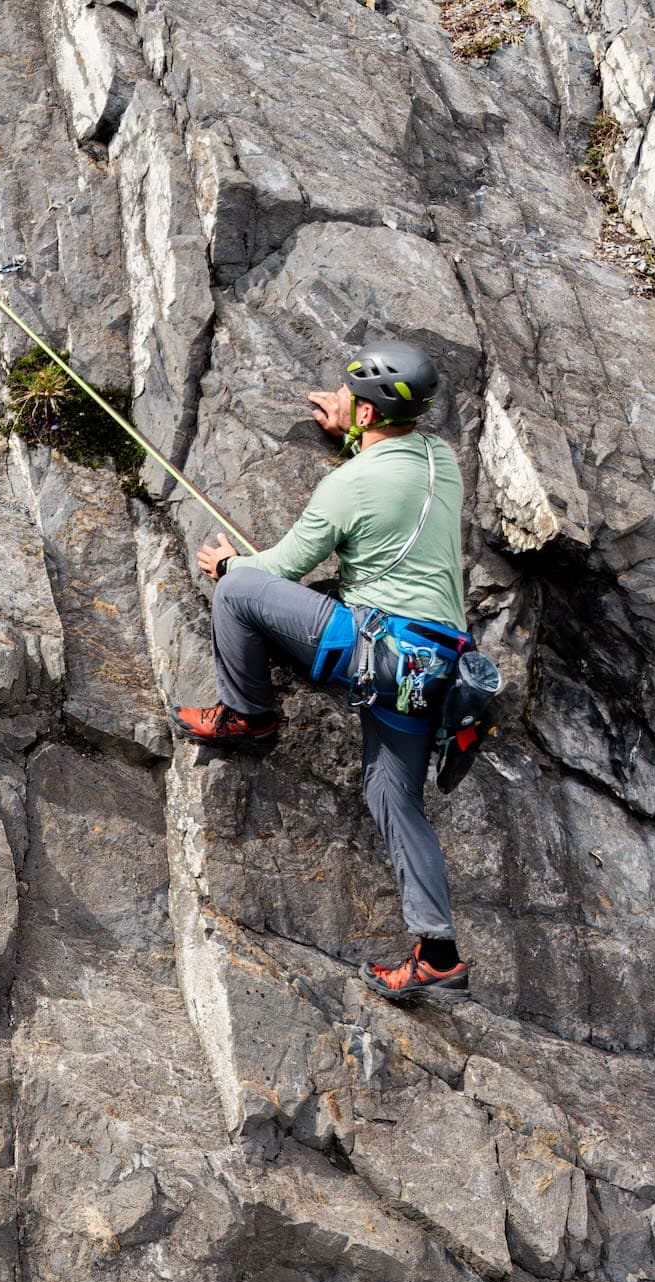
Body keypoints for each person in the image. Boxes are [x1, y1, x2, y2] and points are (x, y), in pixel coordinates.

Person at [170, 340, 473, 1002]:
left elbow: (279, 567)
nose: (335, 400)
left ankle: (247, 713)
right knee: (393, 795)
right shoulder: (441, 460)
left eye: (347, 397)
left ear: (367, 413)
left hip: (375, 650)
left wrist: (228, 565)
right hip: (433, 667)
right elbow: (387, 491)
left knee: (239, 595)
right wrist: (352, 431)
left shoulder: (348, 484)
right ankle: (438, 950)